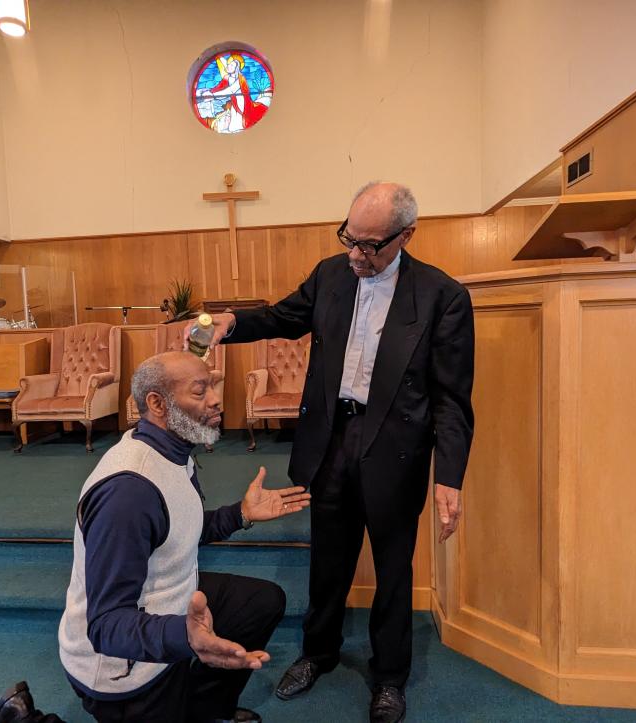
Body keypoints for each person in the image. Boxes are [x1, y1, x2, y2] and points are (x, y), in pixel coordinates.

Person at [186, 182, 475, 723]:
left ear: (406, 235)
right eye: (350, 238)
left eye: (370, 245)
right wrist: (225, 322)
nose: (355, 254)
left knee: (393, 569)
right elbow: (279, 318)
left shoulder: (442, 296)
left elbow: (452, 400)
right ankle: (317, 653)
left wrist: (449, 477)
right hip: (331, 441)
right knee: (328, 560)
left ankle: (390, 677)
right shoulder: (330, 276)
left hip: (397, 450)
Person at [56, 351, 311, 723]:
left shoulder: (172, 450)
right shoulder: (127, 493)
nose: (215, 399)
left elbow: (175, 530)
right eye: (200, 391)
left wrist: (240, 514)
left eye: (212, 386)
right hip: (120, 668)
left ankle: (206, 710)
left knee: (260, 601)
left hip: (170, 606)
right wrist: (187, 637)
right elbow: (106, 626)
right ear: (158, 404)